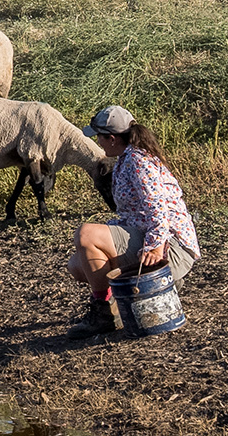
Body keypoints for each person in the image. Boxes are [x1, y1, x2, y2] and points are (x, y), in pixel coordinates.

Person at [66, 105, 201, 339]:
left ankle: (104, 314)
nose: (97, 141)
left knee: (86, 234)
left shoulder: (138, 162)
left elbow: (159, 209)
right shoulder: (125, 159)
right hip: (152, 238)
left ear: (111, 138)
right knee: (77, 266)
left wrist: (155, 246)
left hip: (172, 248)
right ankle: (122, 302)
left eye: (99, 136)